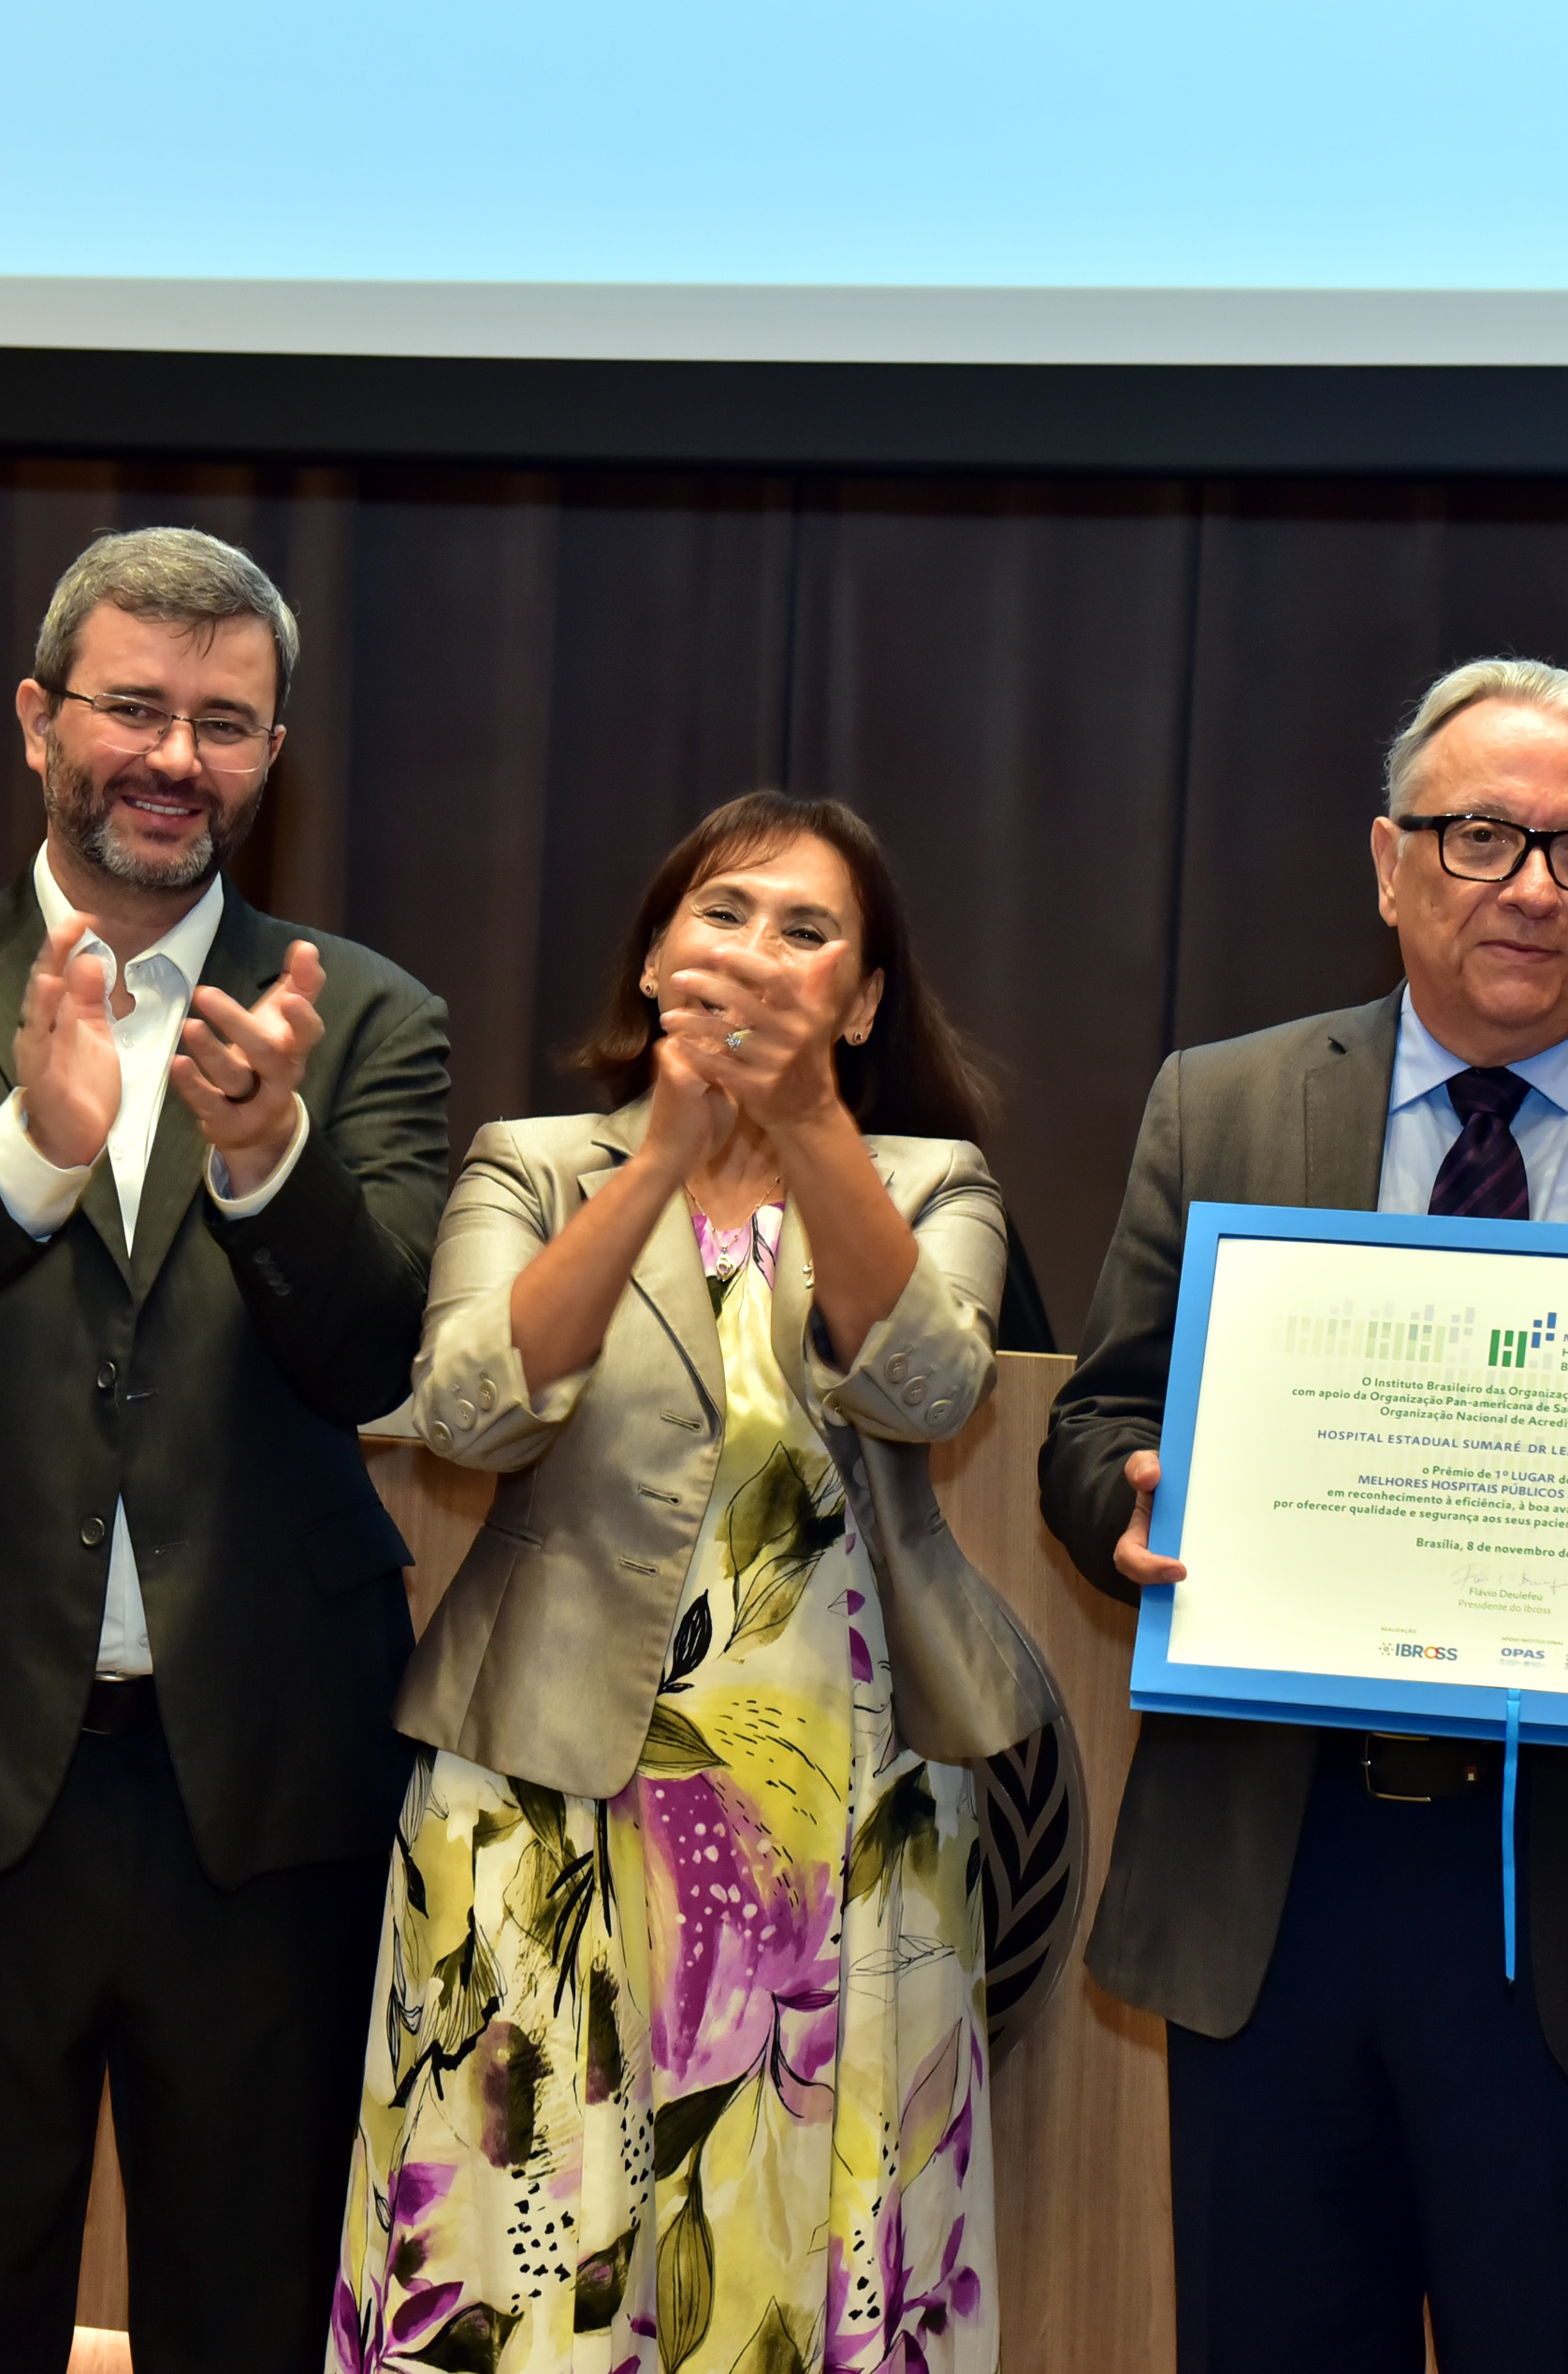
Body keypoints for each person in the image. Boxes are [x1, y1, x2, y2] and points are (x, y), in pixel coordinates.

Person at [1040, 659, 1568, 2374]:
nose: (1532, 887)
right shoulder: (1228, 1103)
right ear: (1391, 863)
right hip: (1283, 1878)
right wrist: (1118, 1508)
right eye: (1482, 836)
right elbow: (1100, 1411)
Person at [0, 527, 452, 2370]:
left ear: (271, 752)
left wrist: (265, 1166)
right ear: (37, 717)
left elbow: (379, 1353)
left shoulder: (360, 1013)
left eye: (225, 722)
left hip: (263, 1791)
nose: (174, 756)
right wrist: (22, 1163)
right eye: (134, 706)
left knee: (247, 2315)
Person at [336, 792, 1059, 2374]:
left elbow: (929, 1390)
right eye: (723, 913)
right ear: (659, 956)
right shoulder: (532, 1161)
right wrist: (659, 1158)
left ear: (863, 1001)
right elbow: (465, 1410)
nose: (759, 950)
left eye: (810, 931)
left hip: (845, 1811)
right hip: (544, 1795)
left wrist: (803, 1126)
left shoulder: (931, 1177)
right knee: (527, 2253)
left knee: (799, 2238)